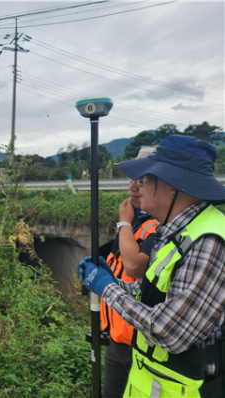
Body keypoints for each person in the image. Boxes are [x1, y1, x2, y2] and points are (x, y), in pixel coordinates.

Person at [80, 135, 225, 398]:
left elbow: (168, 330)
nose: (137, 184)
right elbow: (156, 290)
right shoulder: (175, 231)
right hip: (155, 382)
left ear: (172, 184)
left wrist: (108, 289)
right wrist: (112, 282)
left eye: (146, 176)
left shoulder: (210, 242)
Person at [99, 147, 159, 398]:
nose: (133, 186)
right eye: (131, 178)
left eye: (142, 179)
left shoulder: (159, 227)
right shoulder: (135, 221)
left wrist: (123, 221)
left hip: (141, 341)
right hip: (118, 337)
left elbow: (134, 267)